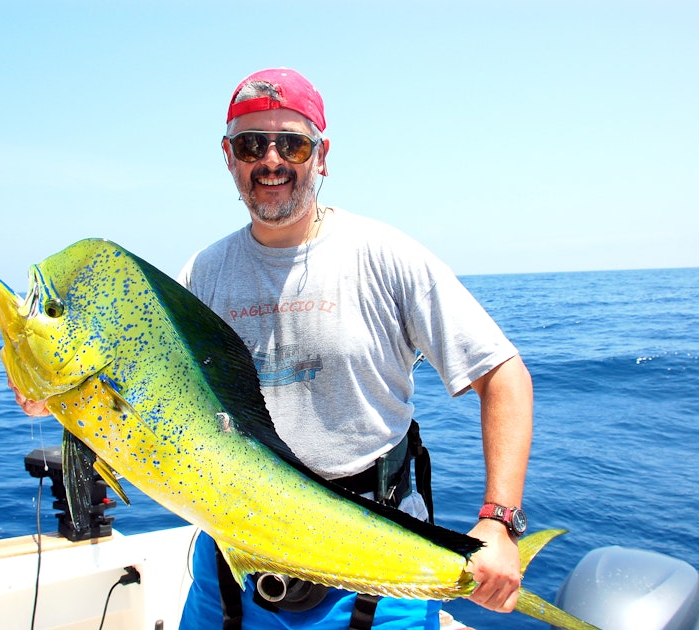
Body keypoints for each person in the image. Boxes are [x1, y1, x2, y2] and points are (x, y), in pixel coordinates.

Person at [176, 68, 533, 629]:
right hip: (232, 563)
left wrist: (498, 520)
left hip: (372, 565)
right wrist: (56, 395)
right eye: (251, 144)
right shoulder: (201, 274)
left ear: (321, 155)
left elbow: (503, 374)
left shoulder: (385, 255)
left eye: (291, 142)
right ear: (228, 156)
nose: (271, 160)